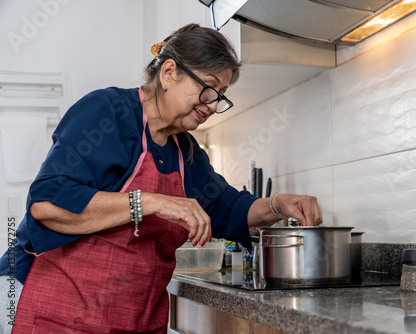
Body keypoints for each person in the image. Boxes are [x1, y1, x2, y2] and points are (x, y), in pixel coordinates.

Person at [0, 23, 322, 333]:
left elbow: (230, 209)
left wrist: (280, 204)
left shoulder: (187, 153)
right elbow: (48, 203)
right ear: (169, 73)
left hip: (140, 321)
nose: (212, 105)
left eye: (221, 96)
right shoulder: (108, 113)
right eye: (208, 88)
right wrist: (152, 202)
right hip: (66, 318)